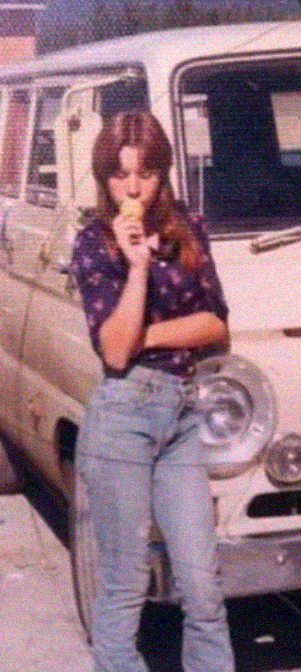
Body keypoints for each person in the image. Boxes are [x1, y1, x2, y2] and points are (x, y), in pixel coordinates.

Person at [71, 110, 234, 672]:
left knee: (203, 587)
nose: (132, 188)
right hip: (123, 417)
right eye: (119, 176)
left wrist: (145, 334)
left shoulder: (189, 227)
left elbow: (216, 325)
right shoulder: (93, 243)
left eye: (144, 173)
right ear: (104, 179)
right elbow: (114, 353)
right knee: (124, 585)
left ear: (164, 173)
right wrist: (137, 267)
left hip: (183, 413)